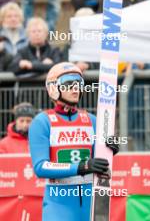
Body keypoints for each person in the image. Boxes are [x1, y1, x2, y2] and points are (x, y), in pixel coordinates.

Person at [29, 62, 119, 221]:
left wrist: (111, 149)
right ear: (53, 88)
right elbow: (40, 167)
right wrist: (81, 167)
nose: (75, 88)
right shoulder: (42, 122)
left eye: (79, 83)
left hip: (90, 200)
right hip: (59, 203)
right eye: (69, 83)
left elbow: (100, 162)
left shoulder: (91, 120)